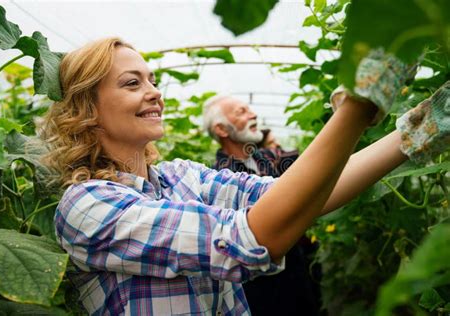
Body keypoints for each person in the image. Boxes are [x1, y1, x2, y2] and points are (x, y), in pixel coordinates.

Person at [40, 37, 448, 315]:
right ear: (86, 109)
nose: (155, 92)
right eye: (132, 83)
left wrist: (417, 130)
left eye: (153, 80)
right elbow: (250, 238)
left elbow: (301, 195)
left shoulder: (182, 179)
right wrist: (358, 105)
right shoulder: (88, 205)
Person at [203, 96, 320, 315]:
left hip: (297, 271)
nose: (253, 114)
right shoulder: (214, 178)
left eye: (250, 110)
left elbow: (316, 169)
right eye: (241, 112)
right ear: (221, 129)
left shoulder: (273, 158)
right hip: (256, 286)